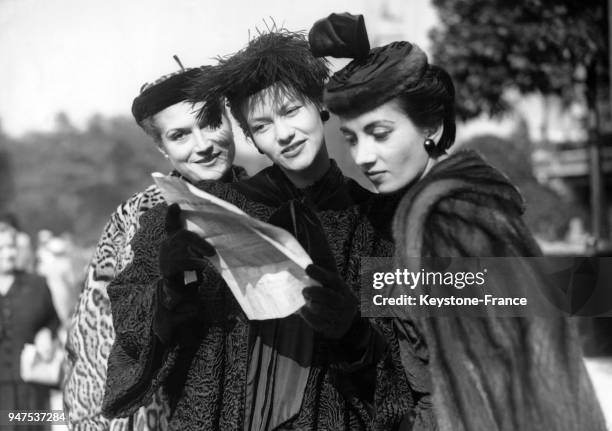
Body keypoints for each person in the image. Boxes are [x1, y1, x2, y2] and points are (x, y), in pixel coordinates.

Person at [103, 27, 414, 430]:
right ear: (248, 134)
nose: (283, 134)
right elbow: (128, 322)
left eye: (290, 111)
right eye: (262, 125)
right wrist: (170, 293)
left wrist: (353, 333)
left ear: (320, 104)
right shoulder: (206, 210)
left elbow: (412, 365)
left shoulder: (380, 222)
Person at [310, 13, 607, 430]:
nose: (363, 158)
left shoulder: (451, 221)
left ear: (430, 126)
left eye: (380, 133)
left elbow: (489, 386)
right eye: (353, 139)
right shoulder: (426, 212)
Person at [63, 63, 243, 431]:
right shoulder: (135, 219)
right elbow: (96, 342)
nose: (203, 144)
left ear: (229, 119)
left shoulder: (276, 203)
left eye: (211, 122)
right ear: (162, 149)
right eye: (180, 135)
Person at [0, 222, 60, 431]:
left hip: (31, 388)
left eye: (12, 247)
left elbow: (52, 320)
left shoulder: (37, 285)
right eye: (2, 248)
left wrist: (47, 333)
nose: (9, 254)